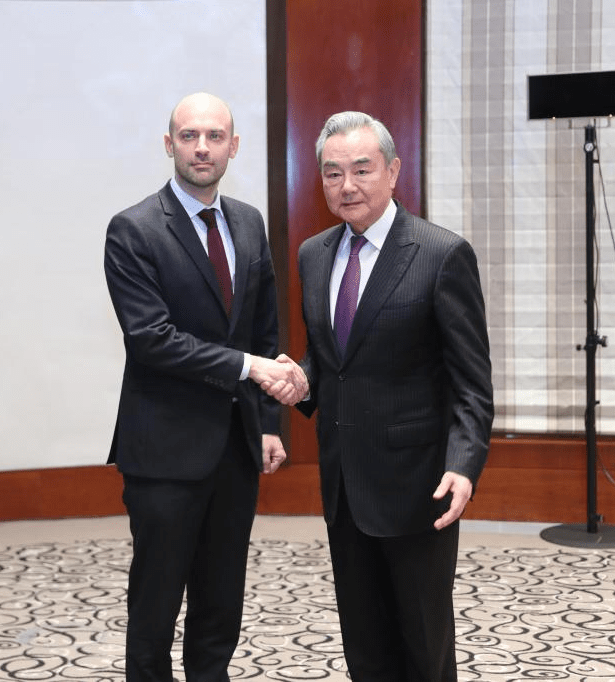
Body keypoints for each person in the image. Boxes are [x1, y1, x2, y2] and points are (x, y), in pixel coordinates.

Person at [281, 111, 494, 681]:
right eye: (332, 173)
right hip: (344, 487)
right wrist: (299, 379)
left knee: (423, 647)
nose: (346, 186)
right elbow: (333, 362)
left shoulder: (441, 254)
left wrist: (465, 465)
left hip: (417, 487)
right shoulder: (313, 254)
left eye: (361, 169)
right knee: (365, 647)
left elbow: (472, 381)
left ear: (393, 171)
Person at [103, 92, 306, 682]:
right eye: (189, 135)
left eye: (214, 136)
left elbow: (265, 331)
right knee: (156, 604)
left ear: (233, 147)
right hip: (163, 452)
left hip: (235, 449)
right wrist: (249, 367)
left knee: (221, 601)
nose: (201, 147)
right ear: (169, 145)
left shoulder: (248, 222)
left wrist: (268, 425)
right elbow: (152, 339)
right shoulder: (134, 229)